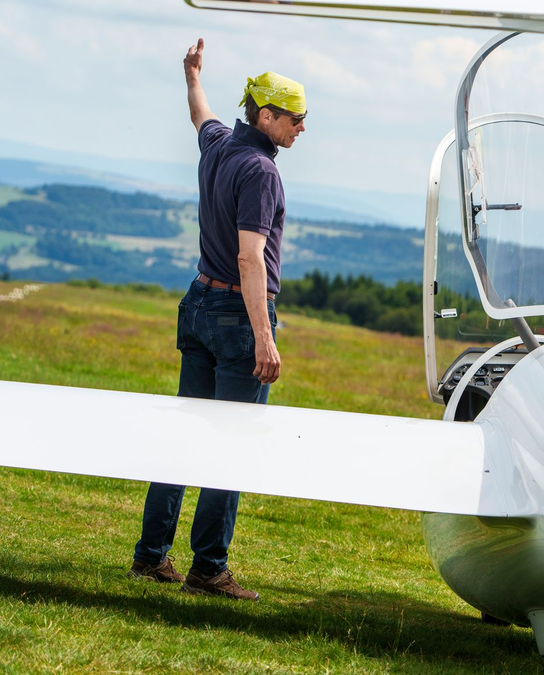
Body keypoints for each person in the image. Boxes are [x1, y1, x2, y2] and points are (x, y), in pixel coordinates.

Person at [128, 38, 307, 601]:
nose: (302, 129)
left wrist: (192, 76)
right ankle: (208, 569)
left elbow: (200, 115)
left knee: (185, 434)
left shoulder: (220, 146)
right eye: (297, 119)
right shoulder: (260, 171)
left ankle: (151, 557)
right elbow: (250, 257)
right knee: (231, 445)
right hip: (235, 313)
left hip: (198, 304)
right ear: (268, 114)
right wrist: (264, 338)